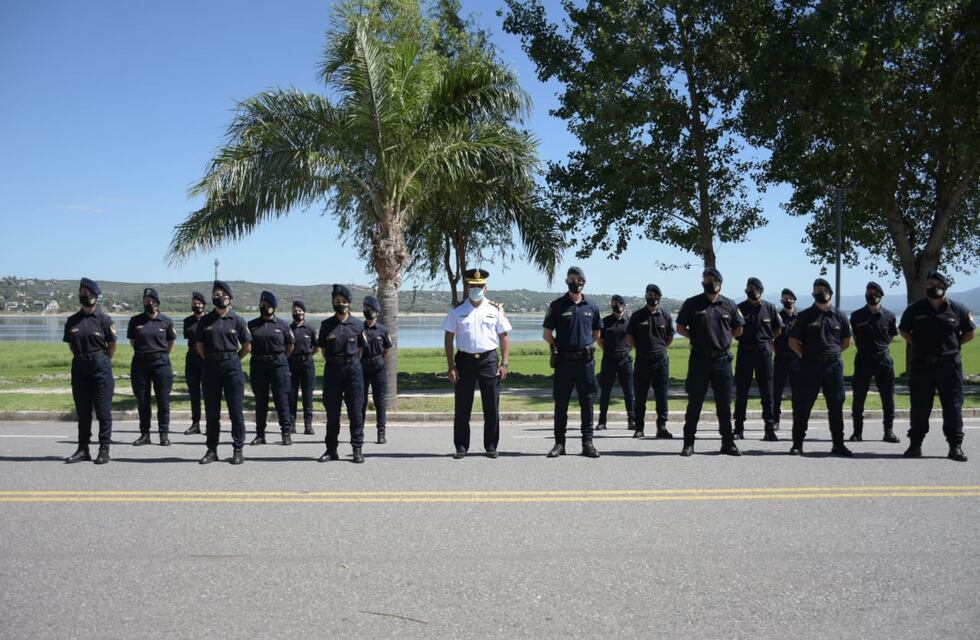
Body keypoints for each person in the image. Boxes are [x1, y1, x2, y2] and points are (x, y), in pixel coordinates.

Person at [899, 270, 975, 462]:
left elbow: (969, 332)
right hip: (922, 366)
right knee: (919, 407)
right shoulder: (915, 309)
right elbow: (904, 330)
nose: (932, 288)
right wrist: (917, 342)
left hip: (949, 366)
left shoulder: (958, 309)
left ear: (944, 287)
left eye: (936, 284)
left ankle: (955, 446)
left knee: (952, 407)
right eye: (929, 284)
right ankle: (915, 445)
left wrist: (954, 346)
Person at [675, 268, 745, 456]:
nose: (710, 282)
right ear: (702, 282)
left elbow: (739, 329)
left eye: (713, 279)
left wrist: (724, 337)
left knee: (724, 404)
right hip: (700, 359)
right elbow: (680, 327)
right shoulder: (692, 303)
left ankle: (728, 443)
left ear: (720, 282)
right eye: (707, 279)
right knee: (695, 403)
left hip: (722, 360)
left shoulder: (729, 304)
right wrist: (695, 337)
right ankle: (688, 443)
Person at [443, 269, 512, 458]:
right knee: (462, 407)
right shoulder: (457, 311)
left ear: (485, 288)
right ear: (467, 287)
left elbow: (504, 337)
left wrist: (504, 363)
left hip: (488, 360)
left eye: (479, 286)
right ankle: (461, 447)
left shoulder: (494, 309)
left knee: (491, 407)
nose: (476, 289)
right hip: (464, 361)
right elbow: (449, 339)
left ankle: (491, 446)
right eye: (473, 286)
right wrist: (451, 366)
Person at [787, 278, 852, 456]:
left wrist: (832, 353)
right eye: (816, 290)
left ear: (830, 292)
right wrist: (805, 355)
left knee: (836, 406)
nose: (820, 293)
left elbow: (846, 342)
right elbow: (793, 341)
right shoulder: (805, 316)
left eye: (823, 290)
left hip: (833, 366)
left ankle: (838, 444)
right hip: (810, 365)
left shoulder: (840, 315)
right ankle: (797, 444)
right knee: (803, 405)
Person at [543, 266, 601, 458]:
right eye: (570, 278)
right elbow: (547, 334)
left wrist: (584, 345)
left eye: (577, 278)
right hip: (564, 362)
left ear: (583, 281)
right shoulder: (557, 305)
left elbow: (596, 333)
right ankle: (560, 444)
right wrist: (559, 345)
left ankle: (588, 443)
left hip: (585, 362)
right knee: (561, 404)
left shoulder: (592, 307)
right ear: (566, 281)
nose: (574, 282)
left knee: (588, 403)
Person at [196, 280, 252, 465]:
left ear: (230, 298)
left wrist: (232, 359)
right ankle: (212, 450)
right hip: (211, 366)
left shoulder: (237, 320)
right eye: (216, 295)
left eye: (223, 295)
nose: (219, 297)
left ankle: (238, 449)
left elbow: (246, 346)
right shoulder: (205, 320)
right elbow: (200, 346)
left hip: (232, 367)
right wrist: (213, 359)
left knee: (235, 411)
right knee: (212, 412)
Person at [63, 277, 116, 465]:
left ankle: (104, 449)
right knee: (83, 412)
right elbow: (71, 345)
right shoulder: (72, 321)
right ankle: (83, 449)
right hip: (79, 367)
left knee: (103, 411)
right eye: (82, 293)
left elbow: (111, 346)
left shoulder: (104, 320)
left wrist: (100, 360)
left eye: (88, 294)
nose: (84, 296)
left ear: (96, 297)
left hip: (100, 366)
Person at [317, 284, 366, 463]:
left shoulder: (358, 325)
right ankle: (331, 450)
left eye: (344, 301)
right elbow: (322, 349)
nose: (341, 304)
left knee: (355, 412)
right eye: (338, 301)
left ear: (349, 304)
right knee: (332, 413)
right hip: (333, 371)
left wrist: (350, 363)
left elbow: (361, 349)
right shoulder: (326, 325)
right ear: (332, 302)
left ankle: (357, 449)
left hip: (353, 371)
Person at [848, 282, 900, 443]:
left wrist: (881, 348)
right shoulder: (857, 316)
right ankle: (857, 432)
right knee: (859, 397)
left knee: (887, 398)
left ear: (881, 296)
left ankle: (888, 431)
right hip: (863, 359)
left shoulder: (889, 316)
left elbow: (891, 336)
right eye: (868, 292)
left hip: (883, 360)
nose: (871, 295)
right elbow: (855, 336)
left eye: (874, 293)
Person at [733, 277, 783, 441]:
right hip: (745, 352)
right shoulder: (739, 308)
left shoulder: (770, 308)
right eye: (748, 287)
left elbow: (777, 329)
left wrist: (767, 340)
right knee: (741, 392)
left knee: (767, 393)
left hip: (764, 352)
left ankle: (769, 427)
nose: (751, 290)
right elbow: (734, 329)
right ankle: (738, 428)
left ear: (761, 290)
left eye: (754, 288)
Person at [127, 287, 177, 447]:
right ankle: (145, 434)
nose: (150, 303)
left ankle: (164, 434)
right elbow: (133, 342)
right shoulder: (135, 321)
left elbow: (170, 342)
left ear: (158, 302)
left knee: (163, 400)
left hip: (161, 363)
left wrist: (159, 354)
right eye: (147, 301)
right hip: (140, 363)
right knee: (143, 400)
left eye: (153, 301)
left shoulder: (166, 321)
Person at [626, 284, 675, 439]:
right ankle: (639, 428)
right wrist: (641, 350)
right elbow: (630, 337)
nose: (652, 298)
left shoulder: (666, 316)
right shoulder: (637, 316)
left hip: (660, 360)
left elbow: (670, 336)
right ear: (645, 296)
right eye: (649, 295)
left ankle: (662, 427)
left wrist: (660, 349)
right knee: (640, 396)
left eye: (655, 295)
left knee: (662, 395)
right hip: (642, 360)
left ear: (659, 297)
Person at [248, 291, 294, 446]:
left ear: (273, 307)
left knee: (281, 400)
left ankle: (285, 433)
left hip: (278, 365)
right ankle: (260, 434)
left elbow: (290, 346)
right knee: (260, 401)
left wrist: (280, 359)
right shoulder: (252, 325)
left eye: (266, 305)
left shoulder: (282, 325)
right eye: (261, 305)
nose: (263, 307)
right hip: (258, 365)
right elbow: (247, 345)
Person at [596, 295, 635, 431]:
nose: (616, 305)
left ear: (624, 305)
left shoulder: (630, 321)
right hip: (609, 359)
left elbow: (634, 341)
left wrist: (627, 350)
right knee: (605, 391)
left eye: (618, 303)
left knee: (629, 392)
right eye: (613, 303)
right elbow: (599, 339)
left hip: (625, 359)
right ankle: (602, 421)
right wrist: (607, 350)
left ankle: (632, 420)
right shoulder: (605, 321)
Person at [361, 295, 393, 445]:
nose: (367, 311)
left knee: (380, 402)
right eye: (365, 308)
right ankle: (358, 431)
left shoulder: (383, 330)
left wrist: (379, 361)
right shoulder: (358, 328)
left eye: (370, 309)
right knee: (361, 401)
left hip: (378, 368)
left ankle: (381, 432)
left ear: (377, 312)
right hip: (362, 367)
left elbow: (387, 349)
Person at [288, 300, 318, 436]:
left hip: (307, 364)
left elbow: (317, 347)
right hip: (292, 364)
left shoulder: (310, 329)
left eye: (299, 311)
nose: (297, 313)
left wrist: (307, 355)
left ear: (304, 313)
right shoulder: (288, 329)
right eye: (295, 311)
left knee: (308, 396)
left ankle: (308, 425)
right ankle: (291, 425)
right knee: (291, 396)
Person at [772, 288, 800, 432]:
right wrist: (777, 351)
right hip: (781, 359)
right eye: (785, 298)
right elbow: (771, 338)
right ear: (781, 300)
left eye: (790, 298)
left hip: (796, 360)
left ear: (794, 300)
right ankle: (775, 420)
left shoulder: (800, 317)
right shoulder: (777, 316)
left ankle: (798, 420)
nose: (787, 301)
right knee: (776, 392)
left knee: (797, 393)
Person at [182, 292, 207, 435]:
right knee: (194, 392)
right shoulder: (187, 321)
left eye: (199, 304)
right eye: (194, 303)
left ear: (203, 305)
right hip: (191, 357)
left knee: (209, 392)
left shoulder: (209, 320)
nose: (196, 306)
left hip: (205, 357)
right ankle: (195, 424)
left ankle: (210, 424)